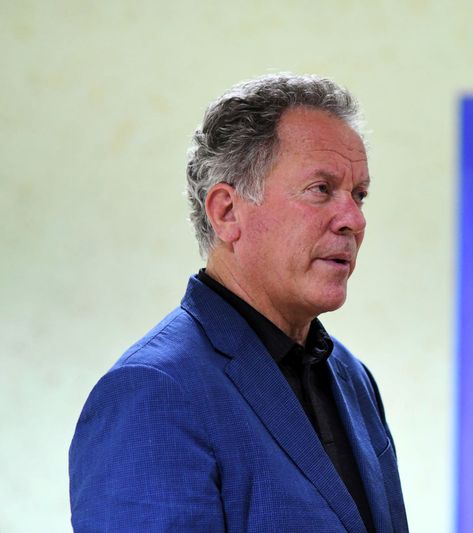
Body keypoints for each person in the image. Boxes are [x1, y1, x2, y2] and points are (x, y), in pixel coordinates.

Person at [69, 73, 409, 533]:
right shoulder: (152, 391)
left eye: (359, 194)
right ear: (227, 212)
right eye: (321, 189)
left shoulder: (352, 377)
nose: (353, 219)